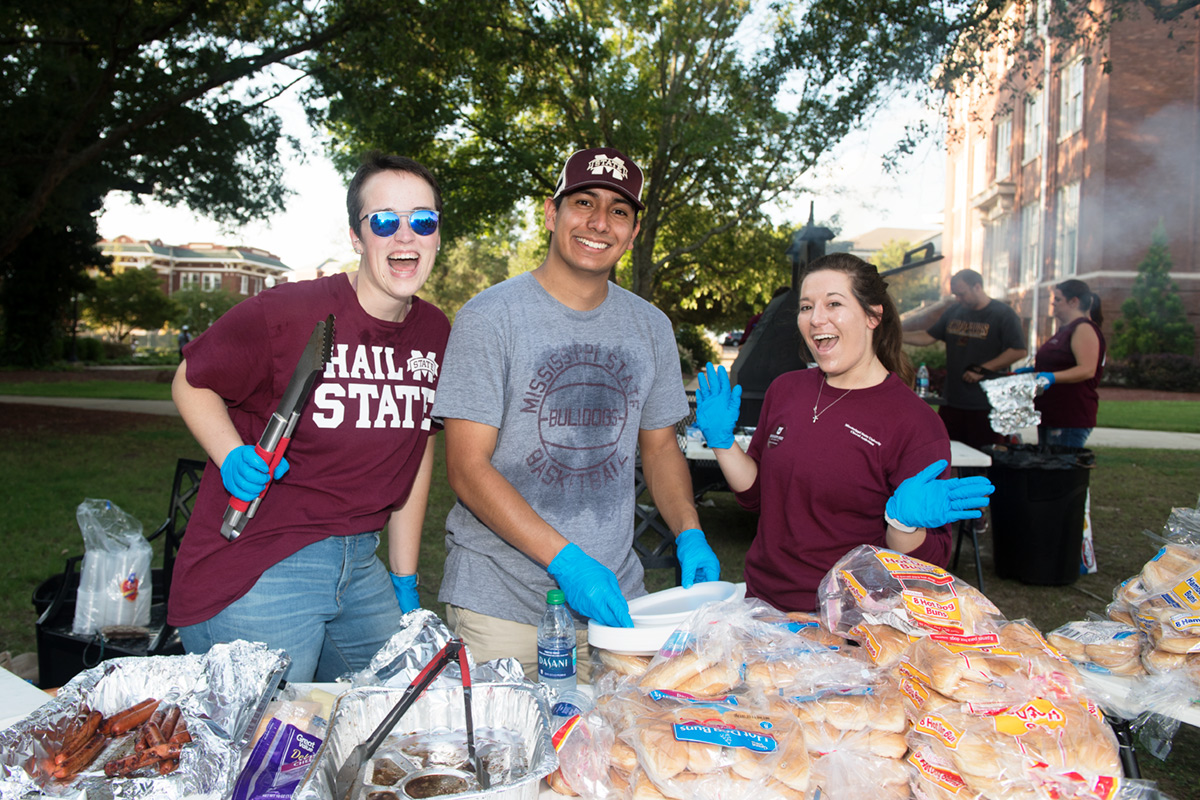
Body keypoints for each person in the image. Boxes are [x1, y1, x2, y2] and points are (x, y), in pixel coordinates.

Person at [431, 146, 721, 681]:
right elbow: (467, 468)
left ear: (633, 233)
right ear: (551, 213)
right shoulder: (490, 317)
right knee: (511, 760)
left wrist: (688, 531)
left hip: (619, 608)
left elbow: (658, 448)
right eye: (583, 202)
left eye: (618, 211)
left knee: (619, 758)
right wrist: (566, 560)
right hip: (503, 609)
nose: (598, 222)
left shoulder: (650, 327)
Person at [167, 153, 451, 682]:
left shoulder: (434, 334)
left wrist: (405, 578)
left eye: (423, 220)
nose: (405, 236)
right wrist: (231, 456)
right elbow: (191, 379)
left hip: (361, 562)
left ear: (437, 236)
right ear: (357, 236)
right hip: (264, 560)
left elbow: (418, 449)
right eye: (385, 221)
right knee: (279, 746)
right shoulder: (289, 313)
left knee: (397, 709)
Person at [695, 253, 994, 612]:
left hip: (848, 623)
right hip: (762, 603)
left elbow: (926, 566)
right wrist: (723, 443)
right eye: (806, 307)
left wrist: (904, 524)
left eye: (833, 303)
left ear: (873, 315)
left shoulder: (914, 422)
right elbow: (758, 497)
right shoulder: (785, 390)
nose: (816, 318)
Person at [902, 269, 1027, 450]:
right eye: (955, 295)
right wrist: (897, 336)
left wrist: (982, 369)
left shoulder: (1003, 314)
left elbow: (1018, 351)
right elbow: (928, 337)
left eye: (962, 294)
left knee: (981, 455)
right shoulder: (954, 311)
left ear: (977, 287)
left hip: (985, 402)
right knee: (948, 452)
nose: (958, 299)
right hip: (953, 399)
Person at [1017, 279, 1106, 448]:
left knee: (1059, 470)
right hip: (1052, 414)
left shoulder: (1083, 328)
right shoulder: (1065, 329)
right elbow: (1061, 363)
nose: (1053, 304)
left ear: (1074, 302)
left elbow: (1087, 370)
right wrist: (1034, 371)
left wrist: (1051, 377)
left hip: (1070, 417)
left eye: (1058, 299)